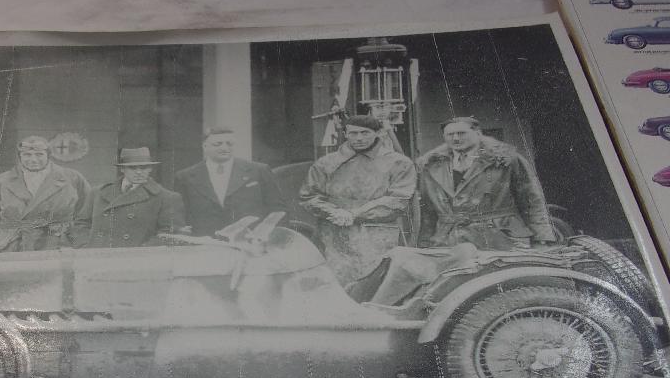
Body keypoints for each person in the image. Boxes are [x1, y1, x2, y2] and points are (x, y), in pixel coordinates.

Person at [299, 115, 417, 288]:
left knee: (378, 286)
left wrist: (355, 214)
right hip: (333, 236)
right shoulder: (326, 163)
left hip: (378, 236)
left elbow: (399, 199)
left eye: (365, 133)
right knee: (335, 285)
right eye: (353, 133)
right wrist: (333, 211)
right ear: (345, 134)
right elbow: (308, 196)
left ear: (378, 133)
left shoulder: (399, 163)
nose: (359, 138)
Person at [417, 116, 555, 250]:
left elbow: (531, 199)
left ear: (478, 133)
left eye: (461, 133)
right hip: (449, 239)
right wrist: (424, 242)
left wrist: (542, 236)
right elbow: (428, 209)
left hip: (501, 237)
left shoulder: (506, 160)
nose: (456, 138)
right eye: (450, 134)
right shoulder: (431, 165)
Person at [0, 136, 91, 253]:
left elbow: (86, 216)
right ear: (20, 156)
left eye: (39, 154)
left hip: (57, 245)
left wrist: (81, 245)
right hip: (12, 245)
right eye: (27, 155)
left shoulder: (72, 178)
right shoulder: (2, 181)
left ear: (48, 155)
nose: (33, 160)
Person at [173, 126, 287, 237]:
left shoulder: (258, 170)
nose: (224, 148)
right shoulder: (185, 177)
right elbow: (178, 214)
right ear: (205, 146)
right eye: (218, 144)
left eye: (229, 144)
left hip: (248, 241)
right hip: (205, 242)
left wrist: (265, 232)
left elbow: (278, 209)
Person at [83, 147, 188, 248]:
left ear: (150, 169)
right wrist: (84, 246)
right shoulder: (97, 192)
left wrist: (139, 253)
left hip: (135, 257)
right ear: (122, 169)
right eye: (132, 168)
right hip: (95, 256)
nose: (139, 172)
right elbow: (80, 225)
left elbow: (170, 235)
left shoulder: (167, 197)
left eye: (143, 167)